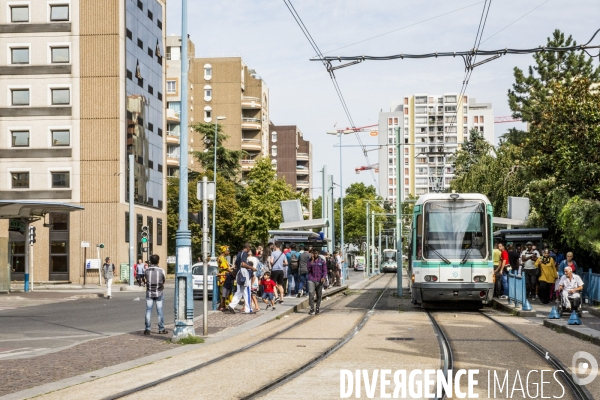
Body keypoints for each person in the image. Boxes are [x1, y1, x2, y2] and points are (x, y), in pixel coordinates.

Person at [227, 243, 256, 314]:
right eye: (249, 248)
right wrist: (252, 268)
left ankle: (231, 305)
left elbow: (236, 264)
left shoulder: (239, 254)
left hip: (239, 274)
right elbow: (243, 264)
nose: (249, 250)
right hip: (244, 274)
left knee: (239, 291)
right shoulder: (245, 253)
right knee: (247, 291)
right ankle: (248, 309)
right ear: (247, 247)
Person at [144, 254, 167, 335]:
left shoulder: (146, 270)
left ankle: (147, 329)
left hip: (149, 293)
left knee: (148, 310)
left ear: (150, 261)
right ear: (158, 261)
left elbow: (145, 280)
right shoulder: (161, 270)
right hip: (159, 292)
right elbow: (163, 280)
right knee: (159, 310)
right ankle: (161, 329)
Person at [307, 248, 328, 315]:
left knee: (319, 295)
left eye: (316, 253)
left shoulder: (322, 261)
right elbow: (308, 269)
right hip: (311, 279)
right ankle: (312, 308)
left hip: (319, 280)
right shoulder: (310, 261)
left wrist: (323, 277)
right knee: (311, 293)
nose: (315, 254)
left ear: (318, 254)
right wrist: (311, 262)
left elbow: (325, 271)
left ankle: (317, 307)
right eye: (313, 253)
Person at [217, 246, 232, 311]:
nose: (228, 252)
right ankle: (223, 306)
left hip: (225, 277)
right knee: (224, 292)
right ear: (224, 251)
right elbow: (226, 268)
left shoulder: (224, 258)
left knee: (226, 291)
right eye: (227, 250)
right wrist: (232, 272)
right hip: (223, 277)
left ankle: (224, 305)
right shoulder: (222, 258)